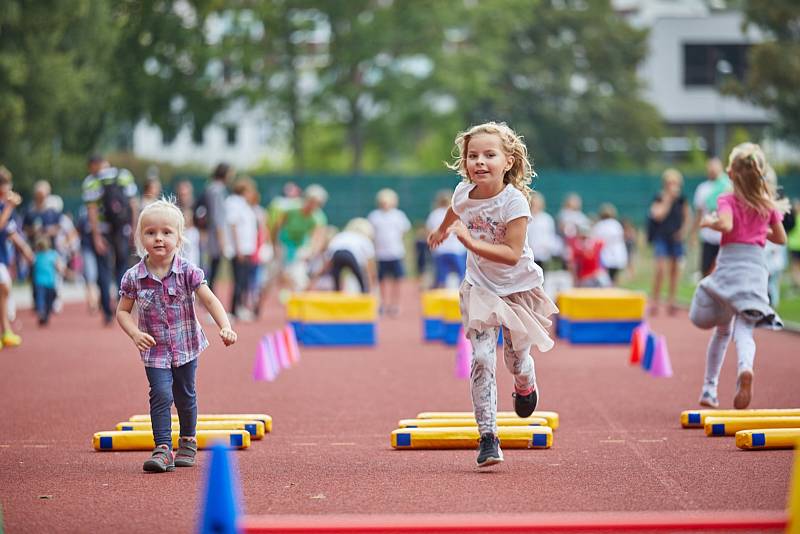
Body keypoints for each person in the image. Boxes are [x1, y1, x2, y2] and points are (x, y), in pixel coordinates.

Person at [428, 122, 557, 468]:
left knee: (515, 361)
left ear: (508, 160)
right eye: (473, 156)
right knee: (483, 357)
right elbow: (456, 210)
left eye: (489, 155)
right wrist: (442, 231)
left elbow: (512, 253)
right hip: (481, 288)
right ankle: (488, 436)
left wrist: (470, 242)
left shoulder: (515, 202)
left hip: (517, 289)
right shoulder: (462, 192)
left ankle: (526, 383)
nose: (479, 162)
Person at [116, 198, 238, 473]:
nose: (159, 238)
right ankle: (162, 448)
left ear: (179, 238)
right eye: (150, 233)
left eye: (166, 232)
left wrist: (225, 325)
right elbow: (122, 311)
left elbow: (209, 300)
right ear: (140, 238)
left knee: (185, 394)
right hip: (155, 348)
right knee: (160, 393)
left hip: (186, 345)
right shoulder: (133, 277)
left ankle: (187, 440)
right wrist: (134, 333)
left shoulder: (188, 271)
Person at [689, 143, 787, 410]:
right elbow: (781, 237)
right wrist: (757, 232)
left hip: (731, 266)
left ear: (731, 174)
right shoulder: (767, 204)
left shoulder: (726, 199)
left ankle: (709, 389)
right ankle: (745, 368)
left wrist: (710, 222)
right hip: (756, 270)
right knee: (745, 329)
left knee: (720, 330)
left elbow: (728, 225)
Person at [81, 154, 139, 324]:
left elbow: (92, 210)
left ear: (94, 165)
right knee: (122, 266)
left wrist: (96, 236)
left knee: (103, 269)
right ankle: (123, 305)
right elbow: (133, 204)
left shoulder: (92, 181)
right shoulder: (124, 175)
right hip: (123, 228)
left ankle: (107, 311)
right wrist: (134, 229)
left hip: (103, 230)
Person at [647, 168, 689, 316]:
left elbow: (687, 217)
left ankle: (672, 301)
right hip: (661, 237)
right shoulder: (659, 197)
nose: (673, 185)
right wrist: (668, 200)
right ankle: (655, 301)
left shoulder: (682, 199)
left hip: (675, 238)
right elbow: (657, 215)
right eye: (670, 182)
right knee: (660, 270)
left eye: (675, 182)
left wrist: (683, 232)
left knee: (675, 271)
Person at [0, 166, 33, 347]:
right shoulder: (5, 207)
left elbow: (11, 232)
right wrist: (9, 206)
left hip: (2, 257)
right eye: (7, 185)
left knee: (4, 291)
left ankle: (5, 331)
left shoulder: (5, 207)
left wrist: (25, 249)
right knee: (4, 287)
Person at [368, 188, 411, 316]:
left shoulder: (399, 215)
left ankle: (395, 304)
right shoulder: (374, 216)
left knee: (397, 281)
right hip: (380, 254)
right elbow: (371, 234)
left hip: (395, 253)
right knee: (380, 281)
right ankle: (382, 304)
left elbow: (404, 231)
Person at [224, 177, 259, 321]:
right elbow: (233, 226)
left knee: (244, 280)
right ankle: (233, 309)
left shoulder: (245, 204)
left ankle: (240, 307)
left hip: (247, 248)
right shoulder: (234, 203)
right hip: (240, 249)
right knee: (238, 280)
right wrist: (238, 248)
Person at [692, 157, 732, 277]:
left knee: (724, 272)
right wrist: (694, 233)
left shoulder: (729, 186)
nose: (713, 170)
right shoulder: (702, 188)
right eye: (710, 167)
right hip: (708, 237)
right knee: (706, 271)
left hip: (725, 238)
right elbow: (699, 213)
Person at [320, 218, 376, 293]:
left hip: (337, 254)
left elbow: (329, 257)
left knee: (336, 276)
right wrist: (371, 284)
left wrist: (319, 273)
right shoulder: (363, 239)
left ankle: (337, 292)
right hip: (350, 255)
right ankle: (364, 292)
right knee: (359, 277)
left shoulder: (341, 235)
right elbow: (369, 266)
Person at [426, 190, 467, 289]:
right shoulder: (458, 212)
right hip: (457, 249)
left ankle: (442, 299)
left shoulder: (434, 214)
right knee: (462, 276)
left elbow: (429, 232)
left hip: (441, 250)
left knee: (441, 278)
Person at [202, 163, 232, 291]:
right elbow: (218, 216)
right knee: (213, 269)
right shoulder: (217, 190)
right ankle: (209, 299)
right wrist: (222, 240)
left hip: (212, 233)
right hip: (215, 235)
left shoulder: (210, 188)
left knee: (212, 268)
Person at [591, 203, 628, 284]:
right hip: (617, 255)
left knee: (605, 279)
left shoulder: (599, 226)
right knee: (614, 278)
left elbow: (594, 241)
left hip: (605, 256)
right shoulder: (616, 225)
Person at [32, 236, 64, 325]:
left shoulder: (52, 254)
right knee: (42, 298)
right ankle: (42, 312)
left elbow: (58, 266)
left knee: (48, 298)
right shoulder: (37, 255)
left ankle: (45, 314)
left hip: (48, 282)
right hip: (42, 282)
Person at [526, 191, 557, 271]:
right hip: (528, 255)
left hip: (542, 255)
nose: (535, 207)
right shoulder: (526, 218)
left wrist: (547, 248)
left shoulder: (546, 219)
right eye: (533, 204)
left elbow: (550, 236)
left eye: (537, 204)